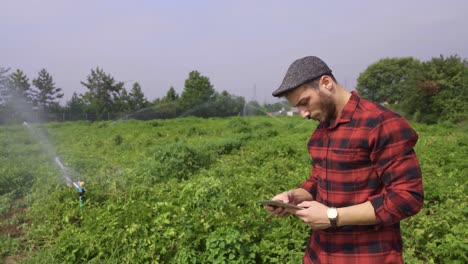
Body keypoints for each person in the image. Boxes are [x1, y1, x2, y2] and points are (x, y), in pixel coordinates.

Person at [265, 56, 424, 263]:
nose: (303, 114)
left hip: (366, 255)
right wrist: (294, 197)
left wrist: (333, 216)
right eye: (298, 107)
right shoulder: (321, 131)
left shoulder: (381, 123)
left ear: (326, 83)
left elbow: (407, 197)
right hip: (319, 254)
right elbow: (318, 181)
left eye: (304, 102)